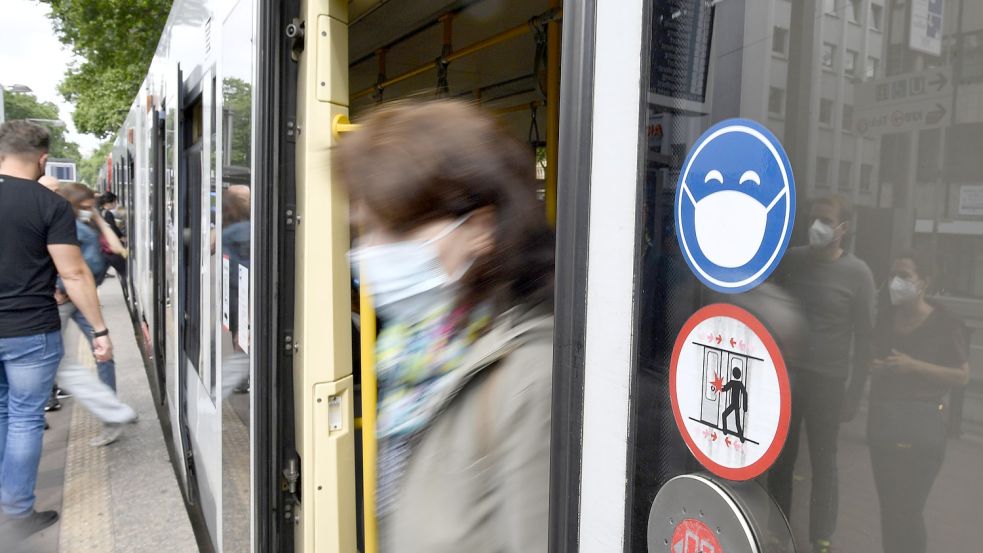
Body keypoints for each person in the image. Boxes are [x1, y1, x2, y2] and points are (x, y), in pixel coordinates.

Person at [337, 100, 554, 553]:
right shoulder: (412, 353)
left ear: (479, 228)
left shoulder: (530, 377)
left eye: (395, 232)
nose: (369, 254)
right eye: (364, 231)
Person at [0, 121, 113, 539]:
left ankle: (7, 493)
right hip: (29, 328)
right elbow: (74, 272)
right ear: (43, 158)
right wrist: (99, 329)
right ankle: (16, 510)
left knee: (2, 411)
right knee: (26, 416)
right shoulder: (48, 204)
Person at [767, 194, 875, 553]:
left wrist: (855, 395)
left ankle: (821, 537)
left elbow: (865, 339)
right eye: (814, 218)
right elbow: (772, 307)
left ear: (843, 229)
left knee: (824, 461)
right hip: (789, 375)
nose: (817, 226)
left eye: (826, 220)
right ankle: (778, 528)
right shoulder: (793, 260)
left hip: (829, 382)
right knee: (782, 457)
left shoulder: (858, 273)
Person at [867, 251, 969, 553]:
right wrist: (875, 366)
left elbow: (962, 376)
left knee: (908, 509)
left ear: (923, 282)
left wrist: (914, 366)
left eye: (904, 276)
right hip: (885, 423)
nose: (895, 283)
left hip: (923, 428)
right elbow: (873, 357)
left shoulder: (946, 322)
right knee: (889, 507)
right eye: (892, 275)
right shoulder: (887, 318)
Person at [54, 183, 136, 446]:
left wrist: (99, 219)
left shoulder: (82, 224)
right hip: (73, 298)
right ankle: (113, 412)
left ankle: (113, 413)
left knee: (91, 355)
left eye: (94, 205)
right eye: (88, 204)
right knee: (89, 354)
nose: (93, 208)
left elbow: (116, 249)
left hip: (76, 299)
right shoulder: (70, 226)